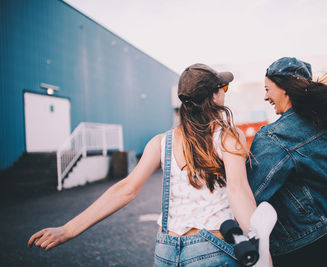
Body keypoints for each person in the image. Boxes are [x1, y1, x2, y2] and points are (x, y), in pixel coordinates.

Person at [28, 63, 257, 266]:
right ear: (214, 96)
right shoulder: (228, 136)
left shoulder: (161, 142)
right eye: (223, 89)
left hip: (166, 250)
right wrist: (260, 248)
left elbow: (126, 189)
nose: (224, 94)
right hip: (213, 247)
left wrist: (68, 230)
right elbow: (238, 191)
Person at [247, 57, 327, 267]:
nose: (266, 97)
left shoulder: (273, 137)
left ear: (284, 89)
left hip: (296, 250)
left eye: (268, 89)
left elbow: (251, 196)